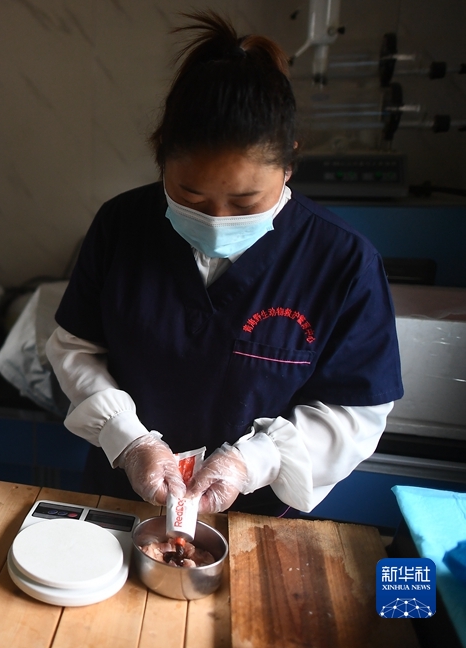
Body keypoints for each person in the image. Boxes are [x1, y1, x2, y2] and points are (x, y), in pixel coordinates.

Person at [45, 11, 403, 516]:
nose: (217, 218)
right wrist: (129, 440)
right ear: (161, 155)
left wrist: (250, 462)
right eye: (190, 195)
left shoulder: (342, 261)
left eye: (245, 201)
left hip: (258, 517)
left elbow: (355, 411)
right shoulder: (121, 226)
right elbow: (75, 350)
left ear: (289, 162)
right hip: (120, 496)